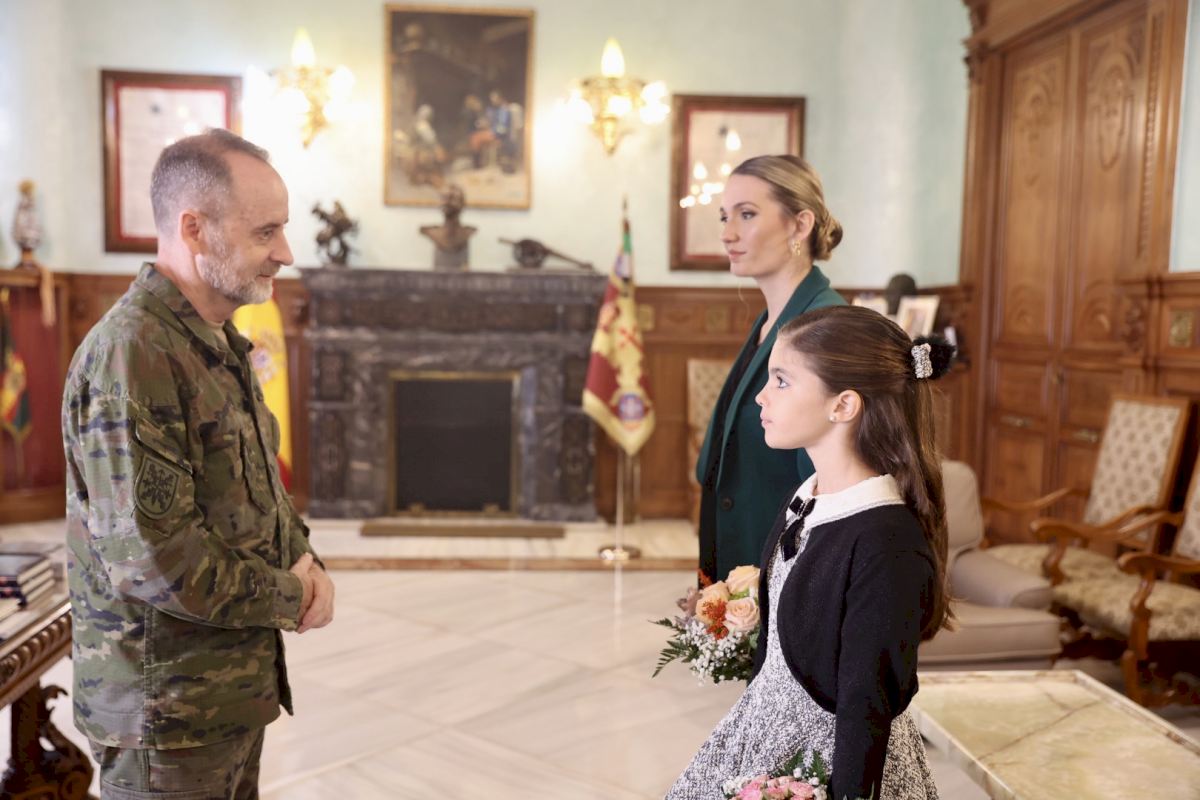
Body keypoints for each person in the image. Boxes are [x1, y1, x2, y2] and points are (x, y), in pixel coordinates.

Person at [62, 128, 334, 800]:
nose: (286, 253)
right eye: (265, 232)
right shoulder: (134, 354)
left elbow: (254, 490)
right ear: (194, 228)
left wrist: (306, 558)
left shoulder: (213, 339)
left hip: (223, 697)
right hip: (165, 716)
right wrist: (291, 595)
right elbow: (154, 561)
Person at [668, 305, 955, 800]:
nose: (761, 396)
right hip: (764, 728)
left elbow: (866, 704)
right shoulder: (807, 496)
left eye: (781, 381)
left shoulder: (885, 543)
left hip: (833, 766)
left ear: (843, 406)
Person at [696, 155, 846, 584]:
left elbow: (826, 483)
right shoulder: (770, 322)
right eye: (724, 216)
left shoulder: (824, 325)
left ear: (800, 225)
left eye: (746, 215)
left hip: (784, 572)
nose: (727, 233)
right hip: (740, 558)